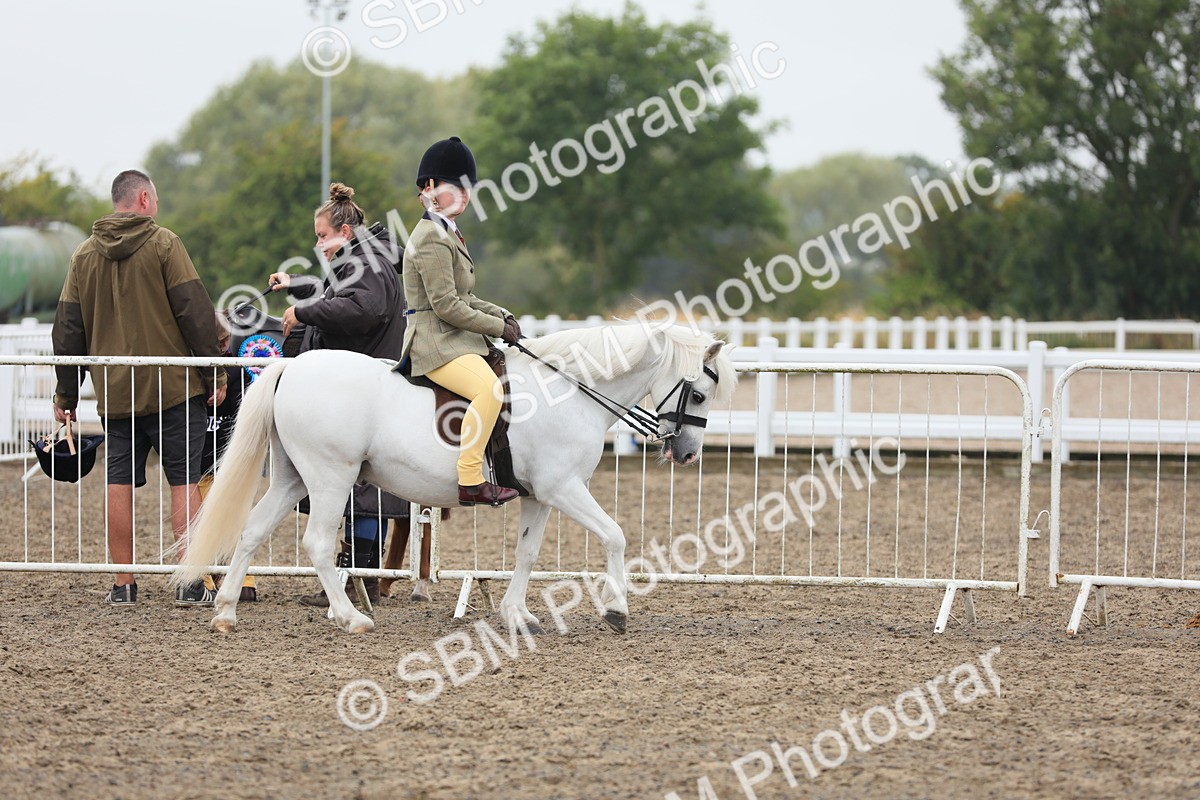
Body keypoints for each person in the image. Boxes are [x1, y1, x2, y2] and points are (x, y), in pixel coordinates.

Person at [52, 169, 227, 607]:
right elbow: (195, 313)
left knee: (118, 483)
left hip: (114, 393)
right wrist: (215, 374)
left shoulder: (83, 255)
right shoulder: (164, 243)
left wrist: (66, 395)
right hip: (172, 387)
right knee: (184, 480)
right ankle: (188, 583)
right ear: (145, 199)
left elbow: (67, 329)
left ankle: (123, 584)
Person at [268, 182, 409, 605]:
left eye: (321, 236)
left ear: (344, 233)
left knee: (365, 490)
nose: (319, 245)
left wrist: (302, 312)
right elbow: (336, 293)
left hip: (367, 390)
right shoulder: (365, 256)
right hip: (366, 386)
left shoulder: (365, 261)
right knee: (360, 487)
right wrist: (296, 285)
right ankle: (358, 577)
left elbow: (361, 309)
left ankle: (360, 581)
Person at [400, 136, 522, 507]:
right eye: (457, 186)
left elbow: (466, 297)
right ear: (430, 188)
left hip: (454, 338)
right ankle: (470, 479)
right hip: (434, 341)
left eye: (469, 187)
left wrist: (502, 314)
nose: (466, 194)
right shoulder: (431, 238)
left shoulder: (449, 232)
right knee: (490, 390)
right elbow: (447, 306)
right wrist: (497, 329)